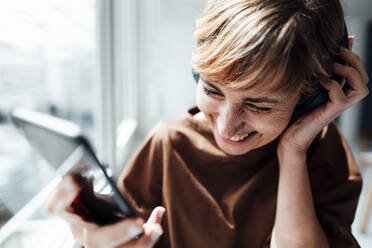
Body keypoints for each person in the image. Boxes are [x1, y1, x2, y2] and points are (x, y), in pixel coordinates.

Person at [46, 0, 370, 247]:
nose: (227, 128)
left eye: (259, 105)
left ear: (312, 96)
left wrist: (293, 152)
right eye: (212, 89)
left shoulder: (323, 152)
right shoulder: (168, 143)